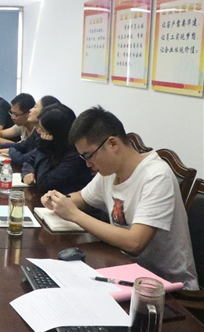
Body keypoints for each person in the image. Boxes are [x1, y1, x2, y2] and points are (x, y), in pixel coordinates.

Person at [43, 106, 198, 289]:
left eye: (89, 156)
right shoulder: (109, 171)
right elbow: (82, 197)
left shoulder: (156, 177)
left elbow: (135, 242)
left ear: (113, 144)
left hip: (168, 286)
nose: (88, 164)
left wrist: (75, 215)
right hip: (125, 270)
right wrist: (57, 200)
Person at [21, 104, 93, 194]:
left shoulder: (75, 155)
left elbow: (44, 184)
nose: (38, 131)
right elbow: (29, 160)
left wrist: (44, 150)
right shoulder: (51, 143)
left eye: (42, 129)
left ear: (56, 133)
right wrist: (27, 173)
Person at [0, 95, 60, 166]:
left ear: (45, 112)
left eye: (35, 107)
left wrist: (9, 151)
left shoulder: (46, 137)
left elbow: (24, 159)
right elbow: (22, 145)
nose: (30, 110)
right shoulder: (37, 132)